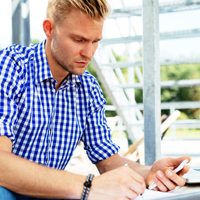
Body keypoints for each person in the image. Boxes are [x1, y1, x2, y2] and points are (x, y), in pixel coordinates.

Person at [0, 0, 190, 199]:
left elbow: (108, 161)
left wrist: (149, 172)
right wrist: (88, 186)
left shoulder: (88, 89)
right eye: (78, 40)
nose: (88, 53)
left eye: (95, 41)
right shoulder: (11, 67)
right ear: (49, 29)